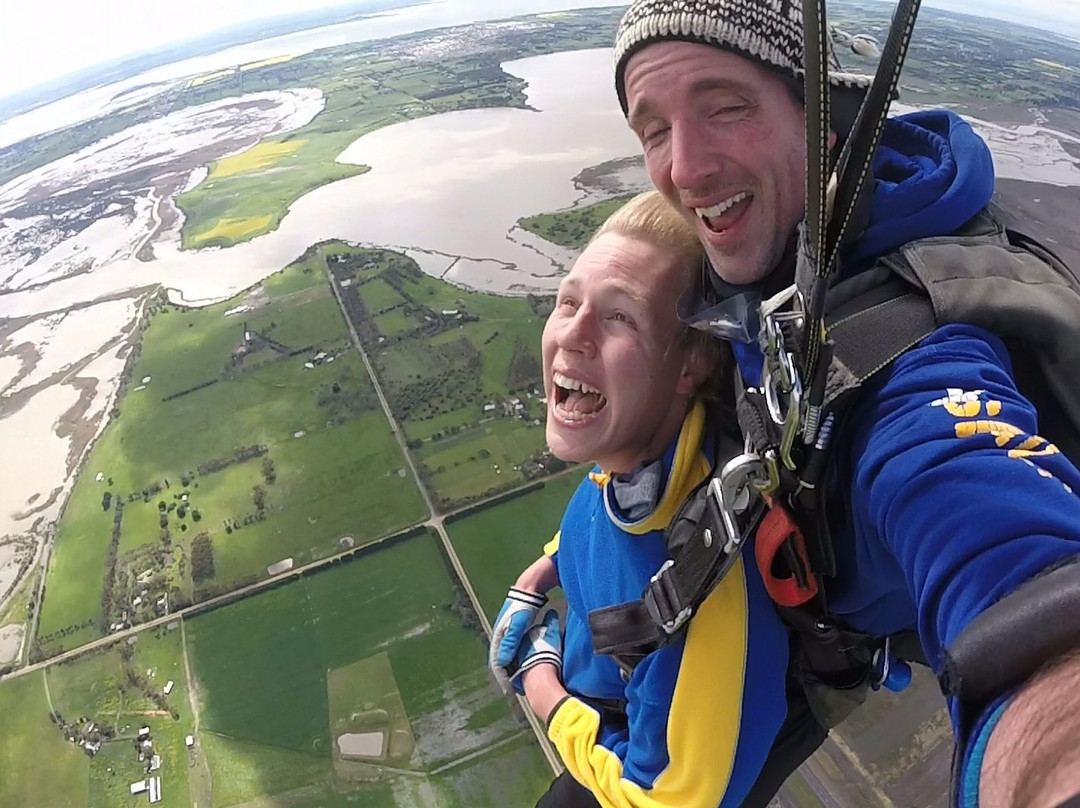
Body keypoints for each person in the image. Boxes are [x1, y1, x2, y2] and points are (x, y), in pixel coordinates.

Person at [607, 1, 1080, 807]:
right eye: (653, 130)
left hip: (817, 649)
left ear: (825, 120)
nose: (683, 168)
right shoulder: (776, 264)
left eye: (727, 107)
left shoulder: (920, 355)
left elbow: (989, 531)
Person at [489, 190, 794, 807]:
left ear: (690, 365)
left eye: (619, 317)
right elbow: (597, 515)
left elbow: (666, 799)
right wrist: (540, 572)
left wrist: (543, 685)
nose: (571, 334)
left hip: (607, 751)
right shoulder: (638, 459)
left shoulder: (704, 581)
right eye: (568, 301)